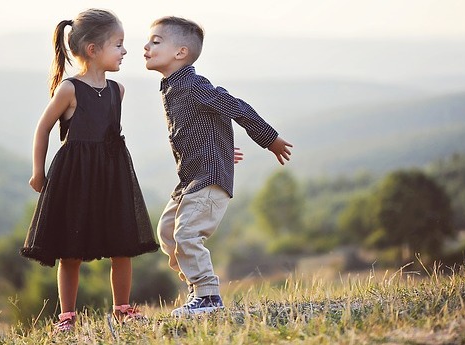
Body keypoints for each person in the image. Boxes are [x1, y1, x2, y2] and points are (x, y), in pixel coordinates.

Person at [143, 16, 293, 317]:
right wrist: (220, 149)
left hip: (209, 179)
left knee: (187, 234)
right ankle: (198, 290)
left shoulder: (194, 85)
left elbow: (235, 106)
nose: (146, 47)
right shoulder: (172, 87)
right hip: (191, 179)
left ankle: (208, 295)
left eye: (155, 41)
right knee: (169, 233)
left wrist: (270, 139)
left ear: (180, 53)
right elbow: (201, 126)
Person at [20, 8, 159, 330]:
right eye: (119, 44)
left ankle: (122, 308)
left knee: (122, 245)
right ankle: (67, 315)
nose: (125, 52)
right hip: (75, 178)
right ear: (93, 50)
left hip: (112, 176)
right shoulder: (69, 89)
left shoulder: (117, 91)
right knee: (71, 251)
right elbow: (43, 129)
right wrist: (37, 172)